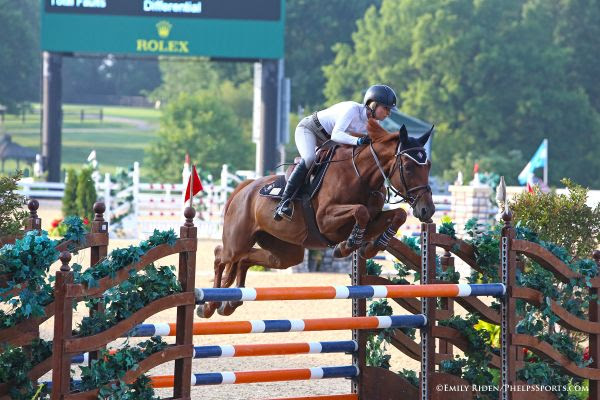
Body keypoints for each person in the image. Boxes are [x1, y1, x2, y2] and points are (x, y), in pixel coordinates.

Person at [274, 84, 397, 221]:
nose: (388, 113)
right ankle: (284, 202)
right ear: (373, 104)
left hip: (329, 142)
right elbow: (336, 135)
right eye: (386, 108)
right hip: (310, 130)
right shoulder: (352, 109)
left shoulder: (374, 124)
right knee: (309, 158)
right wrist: (358, 141)